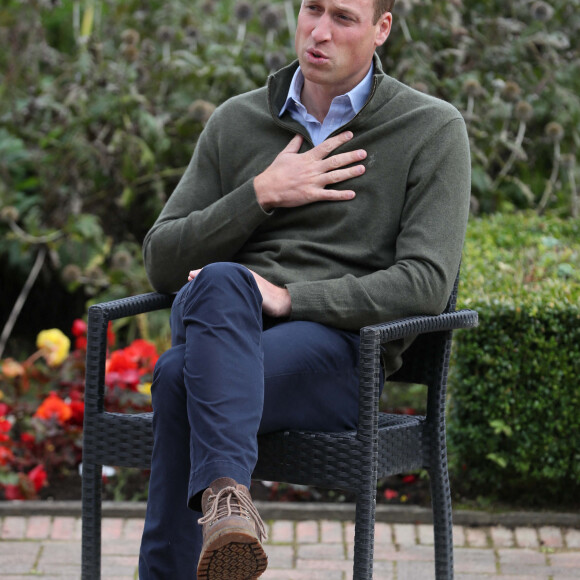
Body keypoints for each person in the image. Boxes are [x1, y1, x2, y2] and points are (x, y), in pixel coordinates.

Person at [138, 0, 471, 578]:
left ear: (381, 29)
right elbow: (162, 260)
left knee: (175, 379)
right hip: (227, 323)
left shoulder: (430, 128)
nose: (319, 32)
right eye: (311, 8)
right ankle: (228, 505)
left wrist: (292, 298)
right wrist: (260, 193)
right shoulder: (237, 121)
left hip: (339, 354)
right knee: (221, 281)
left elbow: (426, 282)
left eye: (343, 17)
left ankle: (207, 522)